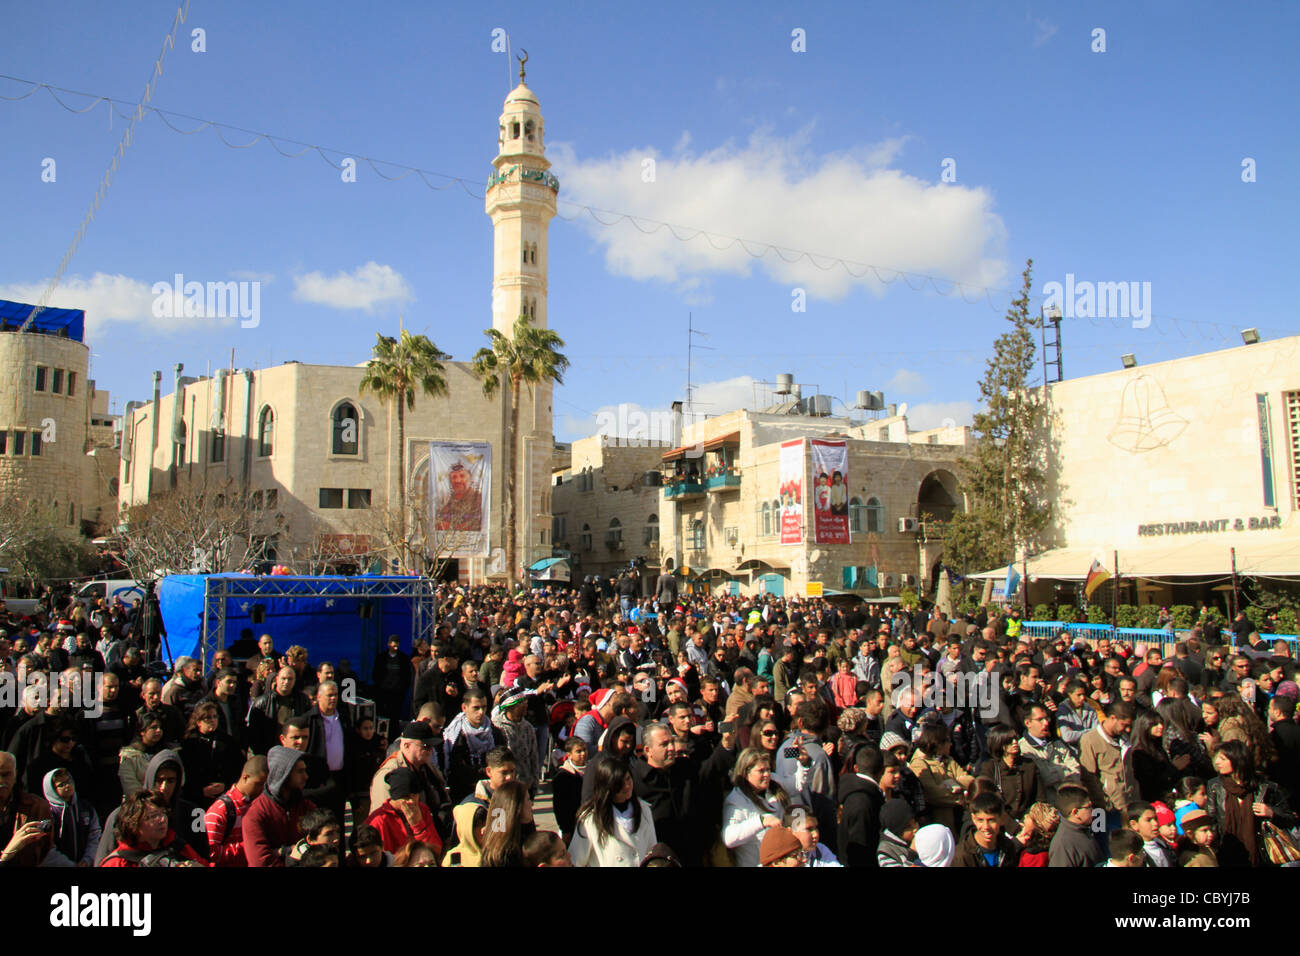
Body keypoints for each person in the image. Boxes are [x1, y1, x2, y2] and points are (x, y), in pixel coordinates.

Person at [1205, 739, 1295, 867]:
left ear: (1237, 760)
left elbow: (1290, 818)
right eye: (1217, 758)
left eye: (1223, 759)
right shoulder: (1215, 786)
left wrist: (1271, 812)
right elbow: (1212, 819)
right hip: (1228, 854)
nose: (1217, 762)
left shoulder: (1266, 787)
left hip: (1261, 856)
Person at [568, 757, 657, 867]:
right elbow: (576, 860)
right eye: (620, 784)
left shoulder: (644, 810)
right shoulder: (591, 818)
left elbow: (652, 851)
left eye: (628, 779)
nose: (627, 786)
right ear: (608, 787)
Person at [241, 745, 316, 867]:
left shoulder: (307, 807)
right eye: (300, 771)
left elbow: (323, 849)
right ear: (283, 775)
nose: (306, 776)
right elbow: (260, 862)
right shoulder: (255, 814)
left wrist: (280, 852)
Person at [100, 790, 208, 867]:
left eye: (163, 813)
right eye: (153, 816)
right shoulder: (118, 862)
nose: (162, 819)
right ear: (134, 825)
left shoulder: (177, 846)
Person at [909, 721, 973, 837]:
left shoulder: (948, 760)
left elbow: (970, 780)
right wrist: (962, 796)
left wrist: (951, 784)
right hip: (941, 825)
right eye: (947, 741)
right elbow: (934, 794)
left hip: (959, 820)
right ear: (937, 743)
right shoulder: (920, 764)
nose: (951, 744)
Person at [1078, 701, 1135, 829]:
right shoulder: (1089, 740)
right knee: (1103, 842)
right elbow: (1088, 777)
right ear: (1113, 718)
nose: (1127, 729)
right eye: (1124, 725)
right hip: (1104, 808)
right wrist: (1103, 804)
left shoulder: (1124, 739)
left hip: (1127, 804)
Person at [976, 727, 1043, 833]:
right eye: (1009, 741)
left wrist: (1029, 821)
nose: (1015, 743)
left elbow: (1040, 798)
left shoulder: (1029, 765)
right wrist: (1014, 827)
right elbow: (988, 802)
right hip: (1000, 826)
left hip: (1029, 824)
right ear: (999, 743)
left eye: (1015, 739)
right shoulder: (990, 768)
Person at [205, 756, 268, 867]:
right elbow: (211, 852)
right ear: (245, 777)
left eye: (265, 786)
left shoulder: (258, 805)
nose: (261, 789)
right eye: (258, 784)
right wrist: (250, 846)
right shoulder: (220, 809)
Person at [365, 767, 442, 857]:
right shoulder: (379, 820)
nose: (411, 801)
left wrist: (418, 826)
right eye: (406, 797)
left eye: (414, 796)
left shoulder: (422, 809)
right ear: (395, 797)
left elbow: (436, 850)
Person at [0, 751, 51, 867]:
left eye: (6, 774)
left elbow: (46, 848)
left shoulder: (36, 806)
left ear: (15, 775)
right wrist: (7, 854)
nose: (1, 781)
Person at [41, 768, 100, 867]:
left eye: (69, 781)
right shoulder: (47, 813)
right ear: (51, 789)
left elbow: (95, 835)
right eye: (61, 785)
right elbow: (46, 847)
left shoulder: (85, 808)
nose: (67, 785)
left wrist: (88, 859)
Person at [952, 791, 1021, 867]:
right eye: (980, 820)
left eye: (991, 820)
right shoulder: (962, 856)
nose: (986, 827)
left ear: (1002, 819)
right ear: (973, 819)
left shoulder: (1008, 847)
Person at [479, 779, 536, 867]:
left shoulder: (526, 832)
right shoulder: (505, 855)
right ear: (517, 808)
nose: (531, 804)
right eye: (528, 799)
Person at [1048, 783, 1101, 867]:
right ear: (1075, 812)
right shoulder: (1063, 845)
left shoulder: (1083, 830)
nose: (1093, 810)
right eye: (1089, 807)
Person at [876, 798, 919, 867]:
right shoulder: (886, 852)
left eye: (915, 822)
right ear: (898, 831)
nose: (915, 829)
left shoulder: (919, 837)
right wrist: (912, 854)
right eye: (909, 827)